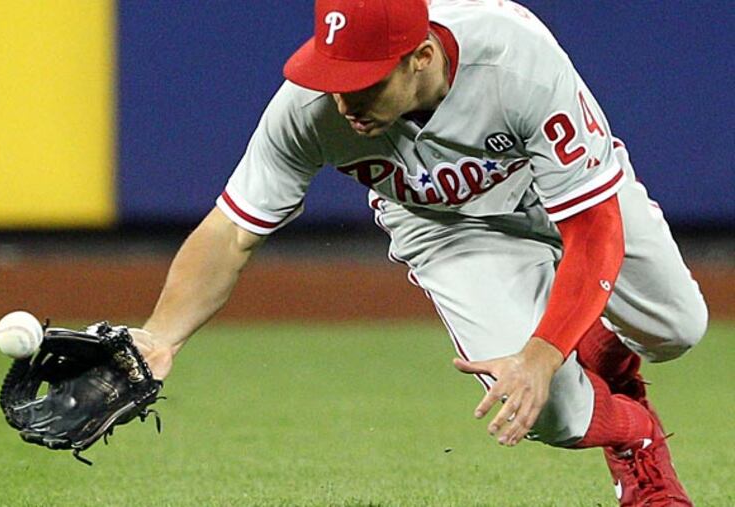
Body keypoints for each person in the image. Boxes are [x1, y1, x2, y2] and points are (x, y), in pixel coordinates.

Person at [132, 1, 708, 504]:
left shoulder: (515, 61)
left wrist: (546, 348)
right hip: (448, 231)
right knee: (547, 410)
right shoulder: (308, 108)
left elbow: (592, 227)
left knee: (677, 327)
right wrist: (160, 336)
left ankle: (593, 347)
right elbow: (232, 230)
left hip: (554, 189)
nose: (345, 101)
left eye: (365, 82)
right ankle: (636, 436)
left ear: (422, 57)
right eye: (335, 77)